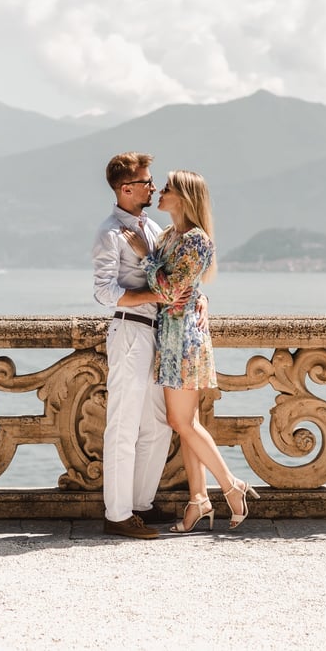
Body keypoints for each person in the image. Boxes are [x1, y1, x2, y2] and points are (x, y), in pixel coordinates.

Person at [122, 169, 258, 533]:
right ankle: (198, 500)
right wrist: (198, 296)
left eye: (166, 188)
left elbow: (170, 290)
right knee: (185, 424)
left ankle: (231, 486)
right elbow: (179, 290)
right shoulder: (168, 236)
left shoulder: (197, 241)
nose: (159, 193)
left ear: (183, 196)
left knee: (181, 422)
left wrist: (145, 256)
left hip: (183, 341)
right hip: (169, 338)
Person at [92, 152, 183, 540]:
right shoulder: (110, 233)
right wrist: (154, 296)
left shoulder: (154, 228)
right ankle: (117, 514)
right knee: (123, 425)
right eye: (146, 182)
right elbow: (103, 292)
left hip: (154, 332)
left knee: (159, 424)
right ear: (126, 189)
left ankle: (140, 505)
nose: (152, 186)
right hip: (129, 331)